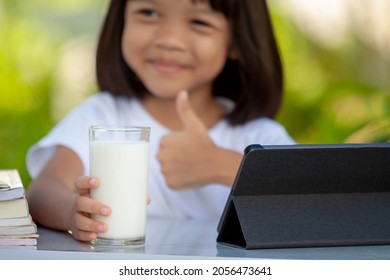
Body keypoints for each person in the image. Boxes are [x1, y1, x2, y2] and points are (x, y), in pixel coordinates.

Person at [26, 0, 295, 242]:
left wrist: (223, 165)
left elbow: (313, 200)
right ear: (121, 21)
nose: (169, 39)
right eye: (149, 12)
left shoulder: (259, 137)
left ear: (236, 41)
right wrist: (71, 213)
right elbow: (42, 191)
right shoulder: (102, 117)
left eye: (199, 22)